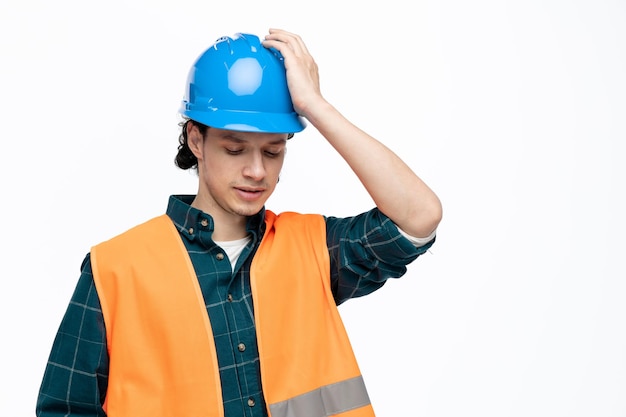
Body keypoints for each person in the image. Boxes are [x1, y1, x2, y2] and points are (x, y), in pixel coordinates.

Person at [36, 28, 442, 417]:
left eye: (272, 151)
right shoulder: (115, 269)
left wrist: (316, 107)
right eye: (234, 149)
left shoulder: (314, 249)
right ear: (196, 140)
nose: (256, 171)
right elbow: (65, 409)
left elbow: (419, 217)